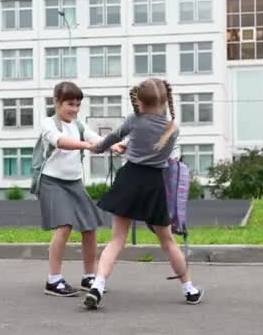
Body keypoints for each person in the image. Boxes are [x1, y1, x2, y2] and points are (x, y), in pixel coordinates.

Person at [83, 78, 204, 309]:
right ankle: (189, 289)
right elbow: (156, 150)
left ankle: (97, 286)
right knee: (168, 241)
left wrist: (95, 147)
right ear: (165, 100)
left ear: (139, 101)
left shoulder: (134, 120)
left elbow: (111, 139)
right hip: (154, 184)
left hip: (129, 179)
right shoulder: (172, 129)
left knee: (117, 239)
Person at [36, 81, 125, 297]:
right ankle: (53, 280)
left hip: (74, 182)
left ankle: (89, 277)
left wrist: (112, 145)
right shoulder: (49, 123)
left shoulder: (78, 125)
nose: (74, 109)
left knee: (89, 226)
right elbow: (61, 142)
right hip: (51, 181)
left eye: (77, 105)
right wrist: (88, 146)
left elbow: (96, 139)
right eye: (69, 104)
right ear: (57, 102)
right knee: (64, 226)